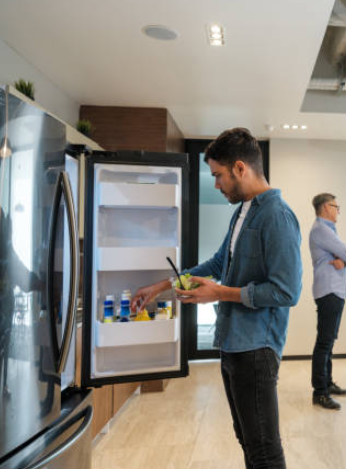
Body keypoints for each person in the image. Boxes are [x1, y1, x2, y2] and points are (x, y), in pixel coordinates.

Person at [131, 128, 302, 469]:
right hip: (234, 345)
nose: (216, 184)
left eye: (218, 175)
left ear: (241, 168)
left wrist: (219, 293)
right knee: (249, 442)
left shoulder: (277, 216)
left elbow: (286, 291)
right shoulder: (243, 212)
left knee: (265, 450)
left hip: (257, 350)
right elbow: (218, 263)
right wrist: (161, 285)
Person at [309, 193, 346, 410]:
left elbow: (344, 258)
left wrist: (345, 262)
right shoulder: (322, 230)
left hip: (334, 291)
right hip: (329, 291)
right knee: (324, 342)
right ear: (326, 207)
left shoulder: (326, 230)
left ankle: (327, 384)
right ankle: (320, 392)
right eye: (337, 206)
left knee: (329, 341)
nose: (338, 211)